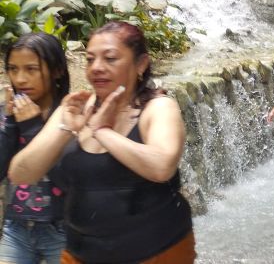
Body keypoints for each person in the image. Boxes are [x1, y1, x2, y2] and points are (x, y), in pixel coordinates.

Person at [9, 21, 195, 263]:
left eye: (110, 58)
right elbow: (21, 173)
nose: (96, 67)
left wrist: (102, 131)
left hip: (155, 251)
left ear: (141, 64)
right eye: (89, 59)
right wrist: (65, 129)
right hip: (81, 252)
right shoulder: (74, 108)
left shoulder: (157, 108)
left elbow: (161, 167)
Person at [0, 33, 70, 263]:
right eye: (13, 68)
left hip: (63, 228)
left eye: (31, 69)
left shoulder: (70, 114)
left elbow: (68, 177)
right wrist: (10, 125)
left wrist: (32, 129)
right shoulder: (6, 113)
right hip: (16, 227)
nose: (20, 79)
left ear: (57, 70)